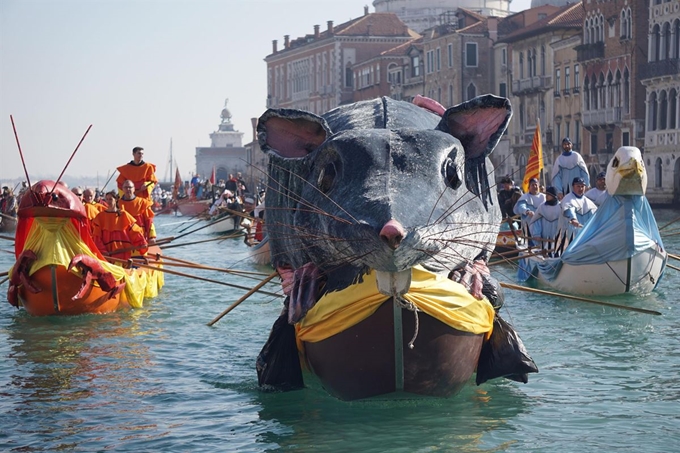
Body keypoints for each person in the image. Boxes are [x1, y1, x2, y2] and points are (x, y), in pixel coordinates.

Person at [91, 190, 148, 261]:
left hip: (123, 252)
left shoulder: (124, 214)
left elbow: (135, 231)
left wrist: (142, 243)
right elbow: (97, 237)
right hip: (108, 254)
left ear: (116, 200)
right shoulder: (100, 217)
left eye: (110, 199)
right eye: (107, 199)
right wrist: (102, 251)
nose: (108, 201)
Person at [555, 177, 598, 254]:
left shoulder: (588, 202)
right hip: (568, 233)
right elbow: (569, 209)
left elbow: (594, 217)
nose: (580, 188)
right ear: (573, 187)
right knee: (566, 251)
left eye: (582, 186)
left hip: (582, 236)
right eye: (578, 186)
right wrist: (573, 219)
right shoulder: (568, 198)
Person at [528, 186, 561, 255]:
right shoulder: (542, 207)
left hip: (557, 239)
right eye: (546, 194)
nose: (546, 196)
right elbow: (536, 221)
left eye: (548, 195)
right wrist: (537, 234)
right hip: (544, 239)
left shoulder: (561, 207)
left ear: (554, 196)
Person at [513, 178, 546, 246]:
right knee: (529, 242)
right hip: (529, 224)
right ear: (529, 187)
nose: (534, 187)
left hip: (542, 224)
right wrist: (527, 211)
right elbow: (521, 207)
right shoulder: (525, 197)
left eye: (536, 185)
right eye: (532, 185)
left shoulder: (544, 197)